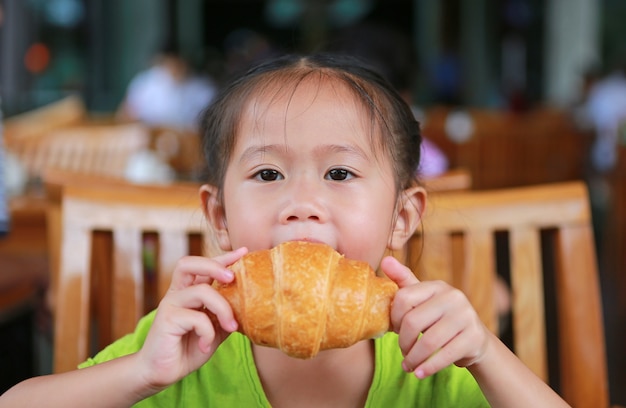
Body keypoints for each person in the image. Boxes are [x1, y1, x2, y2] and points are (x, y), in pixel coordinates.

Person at [0, 54, 568, 407]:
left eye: (340, 172)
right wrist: (141, 373)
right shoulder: (188, 341)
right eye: (268, 173)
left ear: (403, 217)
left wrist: (486, 354)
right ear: (219, 217)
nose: (302, 203)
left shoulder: (429, 359)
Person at [117, 46, 217, 131]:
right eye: (169, 63)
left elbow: (211, 122)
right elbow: (125, 115)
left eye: (178, 64)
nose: (174, 68)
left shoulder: (203, 87)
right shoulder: (145, 83)